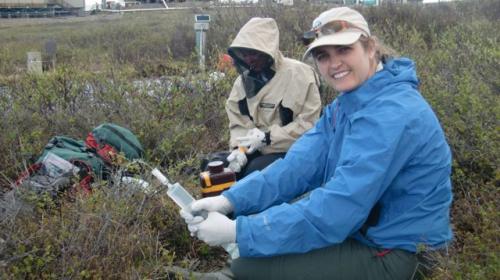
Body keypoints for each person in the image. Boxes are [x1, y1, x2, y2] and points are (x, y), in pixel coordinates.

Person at [183, 7, 453, 279]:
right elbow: (296, 167)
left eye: (344, 50)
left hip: (401, 251)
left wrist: (239, 231)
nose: (333, 64)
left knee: (247, 270)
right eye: (323, 55)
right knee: (252, 260)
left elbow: (340, 207)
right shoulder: (346, 106)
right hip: (364, 234)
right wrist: (228, 201)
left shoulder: (392, 113)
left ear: (370, 48)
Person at [204, 17, 322, 180]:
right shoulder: (242, 83)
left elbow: (309, 125)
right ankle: (217, 205)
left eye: (254, 53)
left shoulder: (301, 75)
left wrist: (267, 138)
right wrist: (240, 149)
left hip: (291, 151)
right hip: (253, 150)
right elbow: (238, 122)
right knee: (214, 167)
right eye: (245, 54)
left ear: (268, 50)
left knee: (256, 171)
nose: (249, 59)